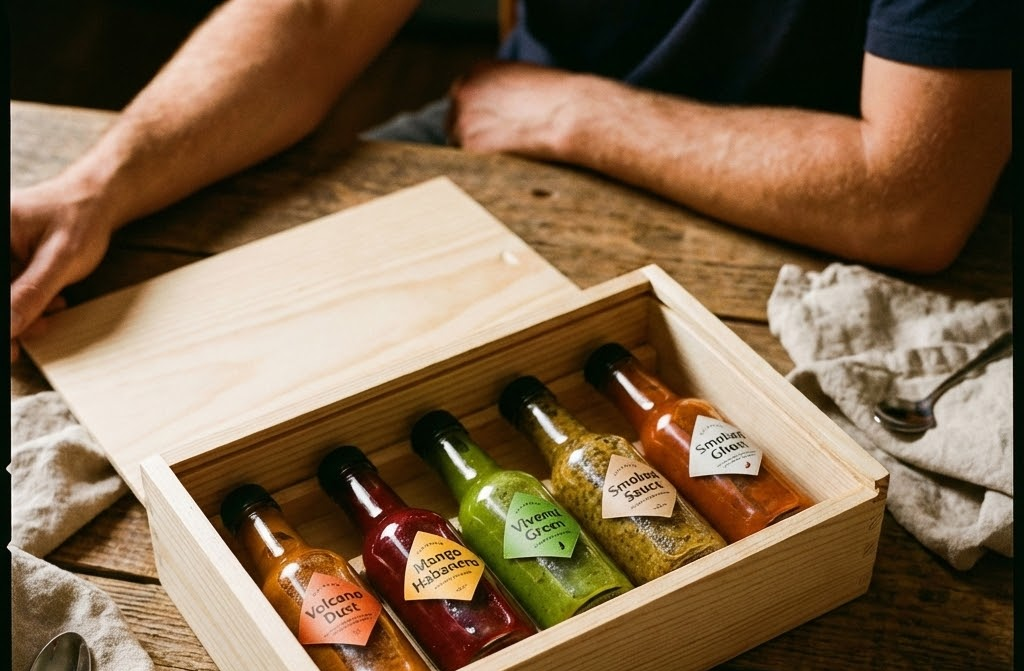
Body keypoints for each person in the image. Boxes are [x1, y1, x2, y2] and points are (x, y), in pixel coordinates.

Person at [10, 0, 1012, 359]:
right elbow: (315, 15)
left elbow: (908, 196)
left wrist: (574, 112)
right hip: (505, 133)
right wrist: (100, 185)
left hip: (813, 231)